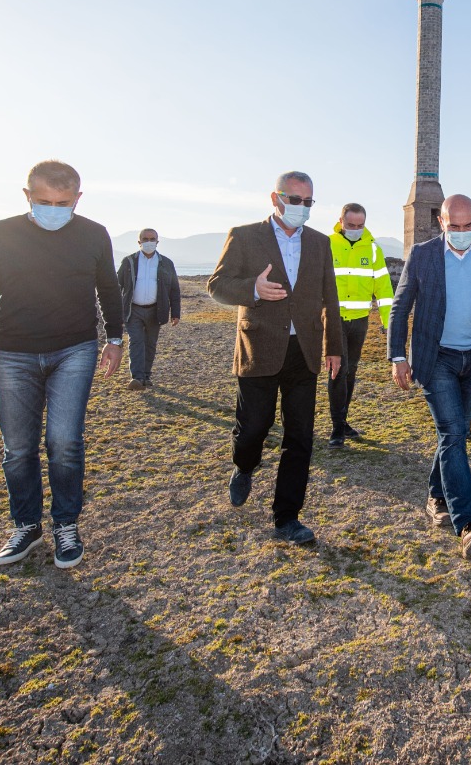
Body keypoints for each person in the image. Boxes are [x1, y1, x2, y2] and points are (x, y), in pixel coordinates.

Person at [0, 159, 124, 570]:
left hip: (75, 350)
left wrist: (115, 339)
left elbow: (109, 289)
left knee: (64, 442)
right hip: (13, 352)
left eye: (64, 203)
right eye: (44, 200)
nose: (54, 209)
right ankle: (26, 525)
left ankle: (66, 524)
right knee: (18, 446)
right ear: (27, 195)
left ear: (78, 199)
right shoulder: (0, 234)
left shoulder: (95, 234)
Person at [207, 171, 342, 545]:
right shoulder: (245, 235)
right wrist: (253, 288)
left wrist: (333, 347)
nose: (301, 208)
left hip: (305, 353)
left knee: (300, 437)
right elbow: (217, 285)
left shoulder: (319, 243)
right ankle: (244, 465)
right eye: (294, 200)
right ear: (275, 198)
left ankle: (287, 518)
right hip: (260, 348)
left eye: (308, 202)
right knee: (254, 427)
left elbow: (330, 297)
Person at [389, 194, 471, 559]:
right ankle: (468, 523)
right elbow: (400, 307)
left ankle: (436, 497)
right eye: (456, 226)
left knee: (457, 433)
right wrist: (398, 356)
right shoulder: (422, 255)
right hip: (437, 360)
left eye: (470, 226)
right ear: (441, 222)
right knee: (451, 433)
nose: (465, 232)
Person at [325, 203, 394, 448]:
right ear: (341, 221)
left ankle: (342, 421)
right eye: (351, 225)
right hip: (334, 320)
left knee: (351, 370)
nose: (356, 229)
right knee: (338, 370)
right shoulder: (327, 245)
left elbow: (384, 289)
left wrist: (390, 323)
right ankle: (336, 428)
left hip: (360, 320)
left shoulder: (374, 250)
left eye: (360, 225)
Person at [117, 228, 182, 390]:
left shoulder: (166, 263)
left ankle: (146, 376)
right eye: (145, 239)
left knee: (150, 344)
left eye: (152, 239)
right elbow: (117, 286)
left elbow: (174, 289)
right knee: (136, 342)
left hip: (156, 310)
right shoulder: (129, 262)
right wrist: (115, 311)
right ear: (139, 242)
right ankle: (137, 377)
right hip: (134, 310)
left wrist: (175, 313)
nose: (149, 242)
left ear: (157, 242)